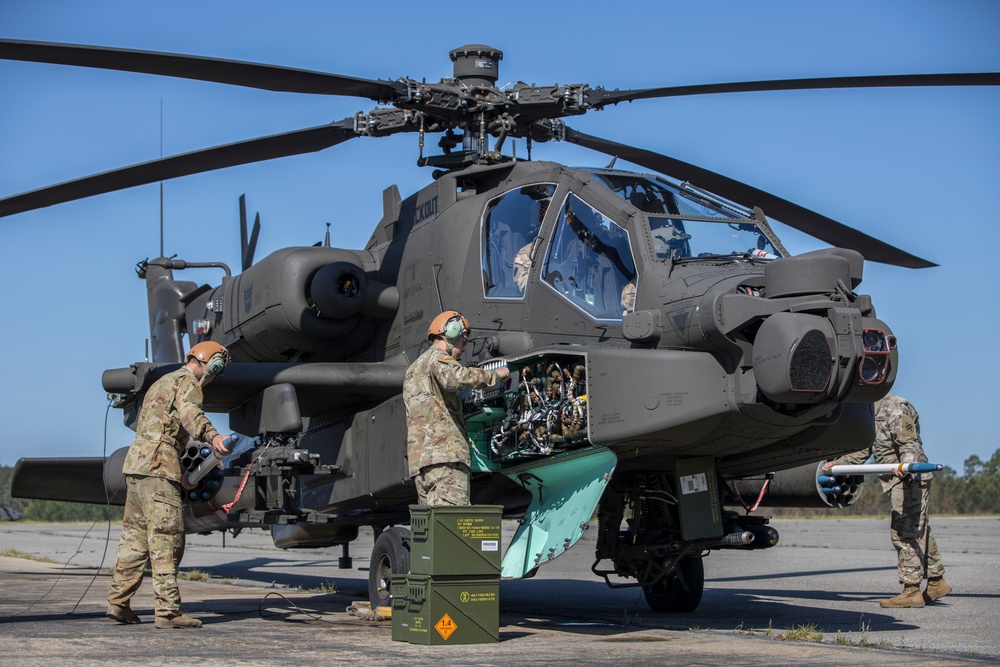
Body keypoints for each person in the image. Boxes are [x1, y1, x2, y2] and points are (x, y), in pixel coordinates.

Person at [106, 341, 232, 629]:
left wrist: (184, 475)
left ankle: (118, 602)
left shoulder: (163, 381)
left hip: (138, 465)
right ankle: (167, 611)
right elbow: (191, 415)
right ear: (208, 364)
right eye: (215, 371)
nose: (212, 378)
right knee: (167, 537)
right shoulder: (189, 383)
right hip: (159, 466)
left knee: (134, 540)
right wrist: (214, 439)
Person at [822, 393, 950, 608]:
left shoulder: (896, 407)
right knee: (919, 528)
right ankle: (936, 581)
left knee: (905, 532)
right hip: (897, 478)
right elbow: (864, 449)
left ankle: (911, 591)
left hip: (910, 478)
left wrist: (906, 466)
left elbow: (910, 443)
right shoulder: (867, 410)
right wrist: (838, 463)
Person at [404, 311, 510, 505]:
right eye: (464, 341)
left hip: (421, 465)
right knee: (451, 525)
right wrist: (494, 375)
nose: (463, 349)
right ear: (451, 332)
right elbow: (456, 377)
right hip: (446, 459)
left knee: (433, 527)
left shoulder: (413, 370)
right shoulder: (438, 359)